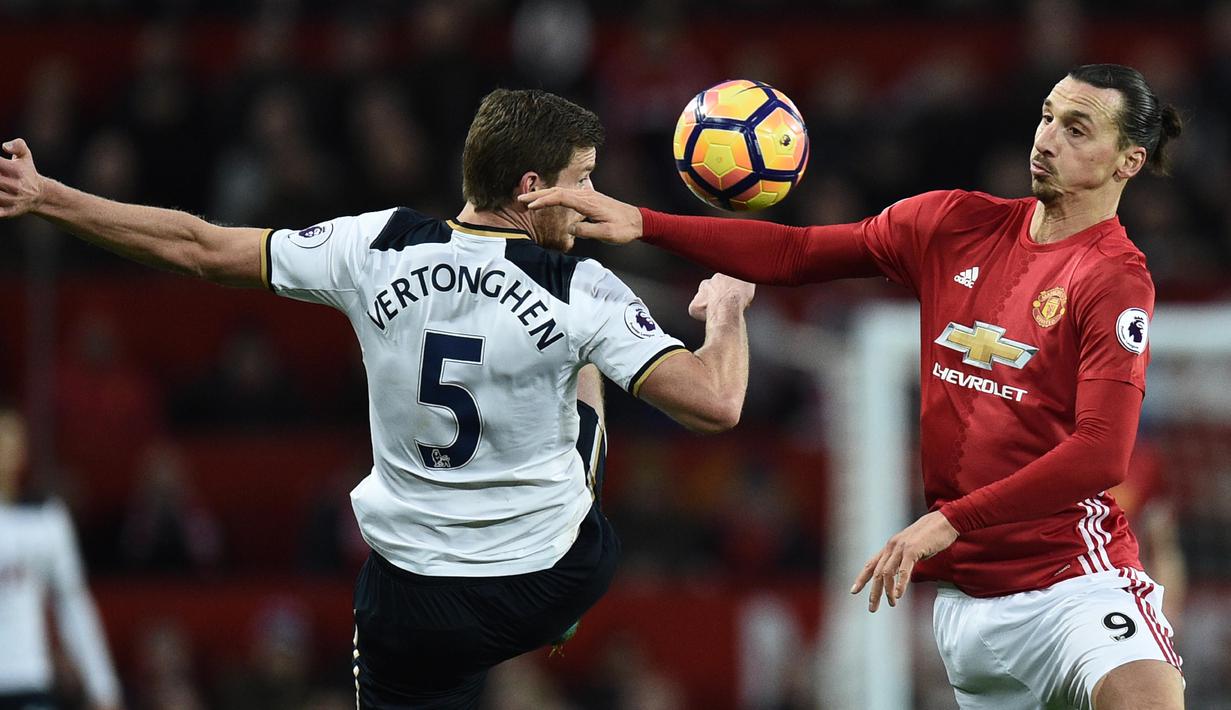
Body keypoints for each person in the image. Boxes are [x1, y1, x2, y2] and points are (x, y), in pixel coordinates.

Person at [0, 88, 755, 708]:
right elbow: (716, 404)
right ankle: (561, 607)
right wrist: (724, 312)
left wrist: (47, 196)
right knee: (585, 389)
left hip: (413, 601)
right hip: (547, 578)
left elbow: (198, 247)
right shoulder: (581, 287)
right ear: (531, 188)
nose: (597, 199)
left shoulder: (375, 246)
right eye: (584, 179)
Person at [519, 64, 1185, 709]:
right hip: (967, 617)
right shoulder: (952, 224)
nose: (1045, 139)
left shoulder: (1112, 279)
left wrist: (947, 521)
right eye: (1046, 117)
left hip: (1075, 583)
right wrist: (646, 223)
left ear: (1126, 161)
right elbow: (795, 253)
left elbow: (1101, 451)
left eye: (1076, 129)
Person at [0, 402, 124, 710]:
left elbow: (74, 603)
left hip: (28, 679)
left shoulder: (45, 519)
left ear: (23, 449)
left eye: (10, 440)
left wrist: (103, 687)